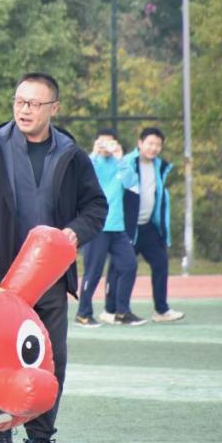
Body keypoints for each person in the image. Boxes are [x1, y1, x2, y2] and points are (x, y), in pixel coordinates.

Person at [0, 73, 107, 443]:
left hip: (49, 278)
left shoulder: (71, 154)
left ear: (53, 108)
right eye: (20, 102)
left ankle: (39, 442)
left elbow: (95, 207)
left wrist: (74, 232)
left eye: (34, 103)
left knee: (50, 358)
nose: (24, 109)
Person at [76, 129, 144, 326]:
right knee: (93, 272)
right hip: (96, 227)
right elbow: (80, 177)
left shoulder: (121, 164)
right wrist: (94, 153)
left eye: (110, 142)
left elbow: (132, 184)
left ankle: (122, 311)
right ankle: (83, 313)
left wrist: (120, 158)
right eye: (102, 142)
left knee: (129, 265)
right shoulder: (91, 163)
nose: (106, 146)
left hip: (117, 228)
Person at [116, 127, 184, 322]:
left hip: (147, 226)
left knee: (161, 263)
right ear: (140, 143)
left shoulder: (160, 167)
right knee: (121, 268)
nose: (153, 148)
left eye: (158, 144)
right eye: (150, 143)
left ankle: (161, 310)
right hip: (127, 227)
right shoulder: (127, 163)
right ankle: (114, 310)